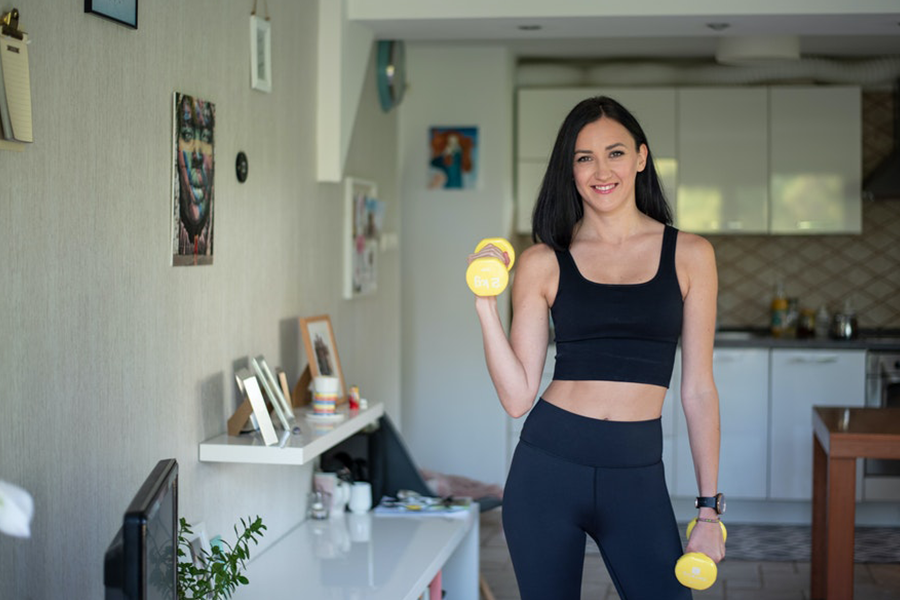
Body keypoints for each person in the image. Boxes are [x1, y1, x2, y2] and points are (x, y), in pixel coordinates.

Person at [468, 96, 724, 599]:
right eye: (584, 157)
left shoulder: (691, 255)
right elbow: (518, 397)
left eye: (615, 153)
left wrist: (709, 509)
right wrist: (484, 305)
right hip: (548, 468)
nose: (601, 170)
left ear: (641, 158)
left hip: (637, 474)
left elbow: (697, 390)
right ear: (570, 169)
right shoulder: (544, 261)